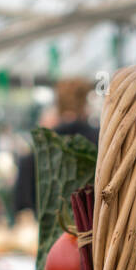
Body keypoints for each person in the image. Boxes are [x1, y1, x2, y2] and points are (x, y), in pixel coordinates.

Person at [13, 78, 99, 215]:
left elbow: (22, 204)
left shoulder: (40, 150)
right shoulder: (101, 141)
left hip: (52, 234)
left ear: (58, 105)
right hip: (101, 233)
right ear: (85, 104)